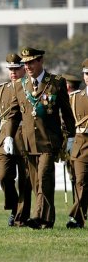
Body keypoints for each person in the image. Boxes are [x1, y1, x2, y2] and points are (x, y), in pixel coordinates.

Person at [3, 47, 75, 229]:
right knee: (38, 182)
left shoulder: (56, 83)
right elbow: (13, 114)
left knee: (43, 177)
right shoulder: (20, 85)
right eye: (25, 63)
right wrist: (9, 136)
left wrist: (71, 137)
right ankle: (46, 221)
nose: (27, 66)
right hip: (28, 143)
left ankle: (37, 216)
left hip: (49, 141)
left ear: (40, 61)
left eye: (30, 62)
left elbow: (67, 113)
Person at [0, 53, 32, 227]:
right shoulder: (2, 89)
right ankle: (14, 207)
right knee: (4, 175)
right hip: (3, 137)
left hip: (24, 136)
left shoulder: (30, 87)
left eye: (16, 68)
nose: (13, 72)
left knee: (25, 179)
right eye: (10, 69)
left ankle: (21, 215)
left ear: (24, 69)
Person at [65, 59, 88, 228]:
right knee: (81, 182)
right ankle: (78, 219)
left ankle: (76, 214)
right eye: (86, 74)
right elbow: (66, 123)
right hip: (81, 145)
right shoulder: (74, 98)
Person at [62, 73, 83, 203]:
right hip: (72, 143)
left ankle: (79, 209)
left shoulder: (71, 100)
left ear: (67, 86)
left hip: (76, 143)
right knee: (75, 177)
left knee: (76, 177)